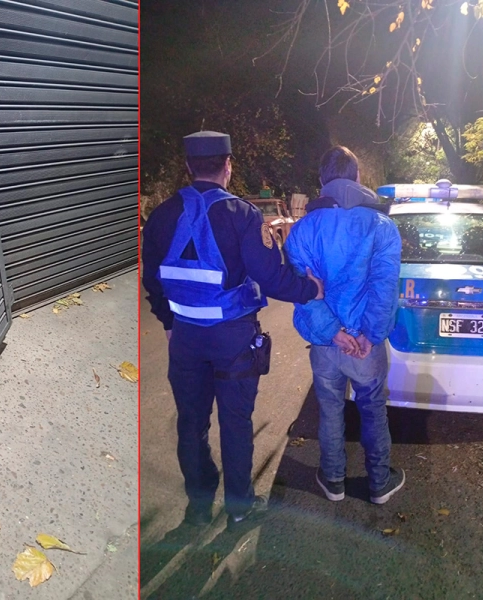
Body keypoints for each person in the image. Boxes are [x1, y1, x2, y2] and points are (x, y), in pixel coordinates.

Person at [142, 130, 324, 526]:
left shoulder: (161, 215)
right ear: (228, 166)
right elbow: (272, 278)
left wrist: (170, 322)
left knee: (191, 423)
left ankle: (199, 505)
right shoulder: (242, 215)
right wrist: (311, 289)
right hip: (233, 339)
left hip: (186, 339)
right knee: (235, 422)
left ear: (189, 167)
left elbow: (152, 280)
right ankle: (239, 508)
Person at [285, 145, 404, 505]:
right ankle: (379, 482)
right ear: (356, 177)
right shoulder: (382, 227)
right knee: (372, 409)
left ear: (322, 182)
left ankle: (333, 480)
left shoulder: (302, 232)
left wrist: (334, 332)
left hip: (326, 344)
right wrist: (369, 334)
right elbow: (385, 288)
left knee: (330, 408)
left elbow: (303, 292)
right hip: (365, 345)